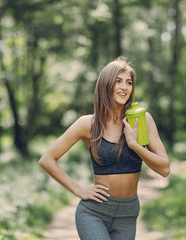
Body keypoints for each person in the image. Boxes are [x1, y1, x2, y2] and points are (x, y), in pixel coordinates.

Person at [39, 56, 170, 240]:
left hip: (128, 214)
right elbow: (47, 159)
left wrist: (134, 145)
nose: (124, 87)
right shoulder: (88, 124)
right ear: (106, 85)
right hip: (94, 212)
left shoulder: (142, 119)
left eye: (129, 82)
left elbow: (164, 169)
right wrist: (79, 190)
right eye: (118, 81)